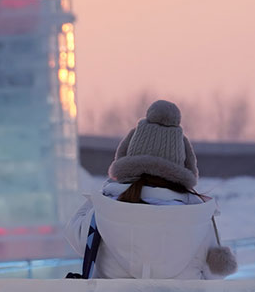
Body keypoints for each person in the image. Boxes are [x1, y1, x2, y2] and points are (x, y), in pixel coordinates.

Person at [64, 100, 236, 279]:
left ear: (127, 158)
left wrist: (109, 189)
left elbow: (73, 233)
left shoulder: (104, 211)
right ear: (184, 165)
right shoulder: (199, 218)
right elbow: (214, 275)